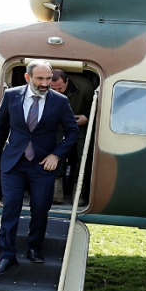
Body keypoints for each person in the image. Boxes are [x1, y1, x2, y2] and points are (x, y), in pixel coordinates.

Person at [0, 60, 78, 276]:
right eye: (40, 78)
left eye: (48, 78)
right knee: (11, 208)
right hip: (13, 163)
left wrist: (56, 154)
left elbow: (72, 132)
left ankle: (35, 247)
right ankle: (7, 256)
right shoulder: (12, 96)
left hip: (42, 165)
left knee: (40, 208)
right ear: (28, 78)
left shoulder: (60, 101)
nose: (45, 83)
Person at [50, 69, 94, 204]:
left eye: (60, 88)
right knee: (56, 156)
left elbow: (98, 105)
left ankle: (79, 191)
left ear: (67, 82)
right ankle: (56, 191)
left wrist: (87, 116)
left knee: (82, 158)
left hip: (80, 125)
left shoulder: (85, 87)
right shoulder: (43, 86)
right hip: (57, 126)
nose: (57, 92)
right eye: (53, 89)